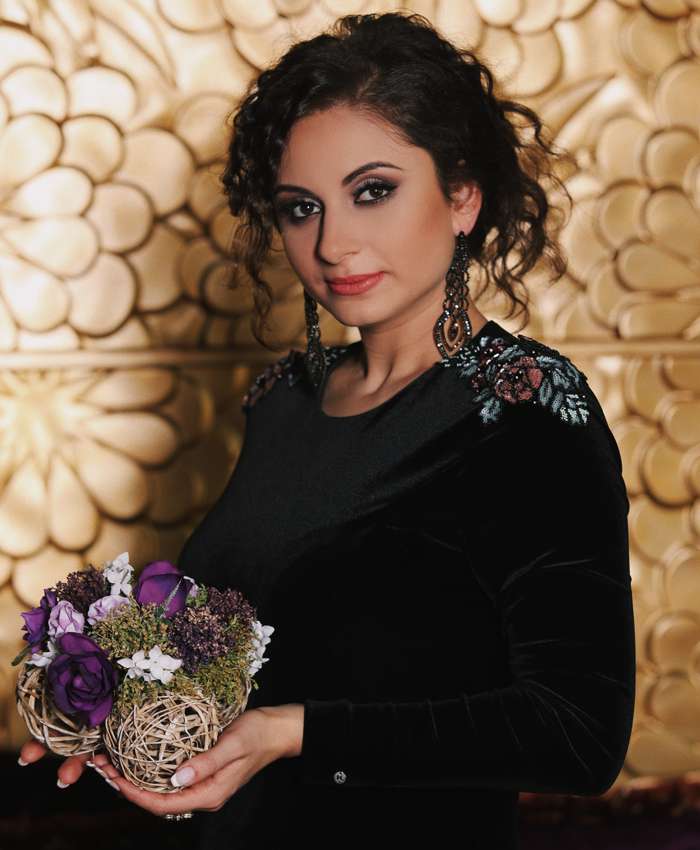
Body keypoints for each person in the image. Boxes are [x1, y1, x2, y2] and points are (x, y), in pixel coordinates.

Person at [19, 11, 636, 849]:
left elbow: (579, 734)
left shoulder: (528, 412)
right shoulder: (285, 398)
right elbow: (253, 654)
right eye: (300, 208)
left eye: (372, 191)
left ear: (462, 196)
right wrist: (104, 707)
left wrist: (299, 733)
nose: (333, 243)